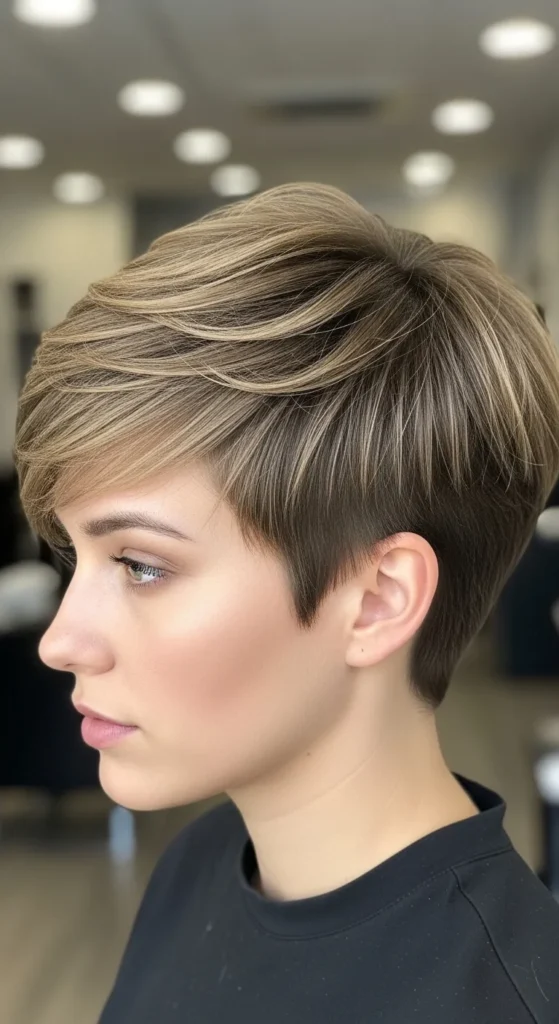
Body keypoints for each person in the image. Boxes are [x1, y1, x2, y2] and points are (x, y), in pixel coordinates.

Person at [13, 183, 559, 1023]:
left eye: (140, 565)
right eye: (71, 556)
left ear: (376, 600)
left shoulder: (497, 1000)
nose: (60, 642)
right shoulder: (201, 863)